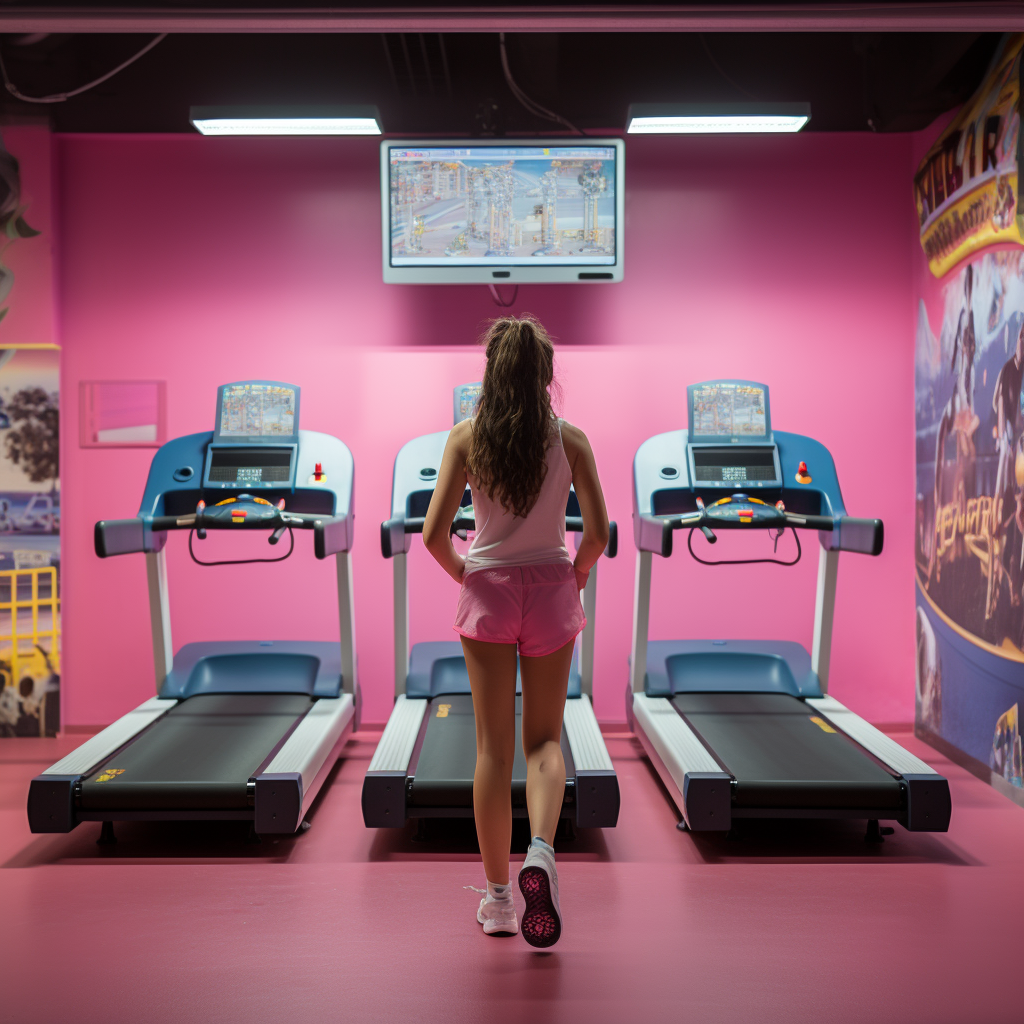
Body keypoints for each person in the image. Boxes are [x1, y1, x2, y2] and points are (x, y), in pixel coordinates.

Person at [423, 315, 609, 948]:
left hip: (490, 593)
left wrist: (471, 578)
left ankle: (500, 900)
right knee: (543, 744)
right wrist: (575, 576)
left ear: (491, 372)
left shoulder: (466, 437)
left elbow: (432, 535)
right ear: (545, 375)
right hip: (552, 589)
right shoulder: (573, 440)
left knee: (491, 752)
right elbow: (600, 536)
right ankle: (541, 853)